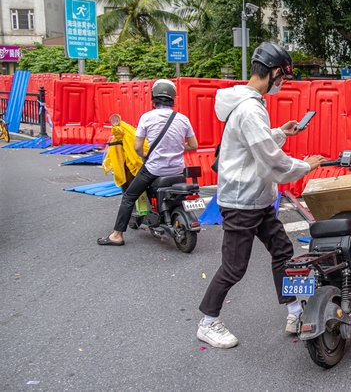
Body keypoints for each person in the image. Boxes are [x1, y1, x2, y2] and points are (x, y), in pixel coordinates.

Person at [196, 42, 326, 349]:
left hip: (258, 199)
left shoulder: (248, 103)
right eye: (282, 78)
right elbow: (270, 160)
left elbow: (255, 145)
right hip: (243, 203)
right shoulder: (250, 109)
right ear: (275, 72)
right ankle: (207, 321)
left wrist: (282, 131)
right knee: (234, 267)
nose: (281, 84)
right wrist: (304, 166)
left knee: (282, 252)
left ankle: (295, 310)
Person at [97, 79, 198, 246]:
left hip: (155, 169)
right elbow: (193, 145)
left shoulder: (147, 117)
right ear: (173, 98)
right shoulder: (182, 119)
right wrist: (177, 148)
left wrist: (145, 155)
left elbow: (137, 146)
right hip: (177, 169)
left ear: (154, 98)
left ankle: (117, 235)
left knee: (129, 195)